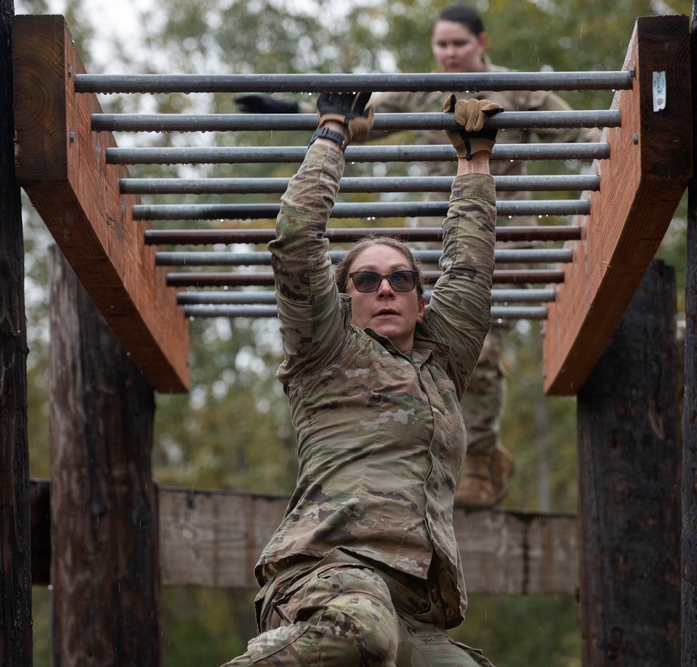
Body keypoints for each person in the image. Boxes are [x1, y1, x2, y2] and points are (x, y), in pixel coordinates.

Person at [236, 5, 600, 509]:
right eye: (441, 45)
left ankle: (482, 454)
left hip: (499, 244)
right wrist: (289, 113)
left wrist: (621, 156)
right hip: (428, 245)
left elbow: (586, 138)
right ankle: (417, 448)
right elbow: (362, 119)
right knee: (410, 351)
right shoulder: (422, 91)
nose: (448, 54)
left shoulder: (520, 93)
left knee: (478, 350)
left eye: (458, 44)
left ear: (482, 42)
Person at [222, 90, 502, 666]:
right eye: (368, 280)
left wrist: (473, 162)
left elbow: (469, 270)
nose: (385, 289)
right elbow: (297, 245)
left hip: (412, 603)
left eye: (402, 280)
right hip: (328, 575)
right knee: (363, 633)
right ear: (343, 299)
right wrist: (332, 136)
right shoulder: (325, 353)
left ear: (422, 303)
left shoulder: (442, 363)